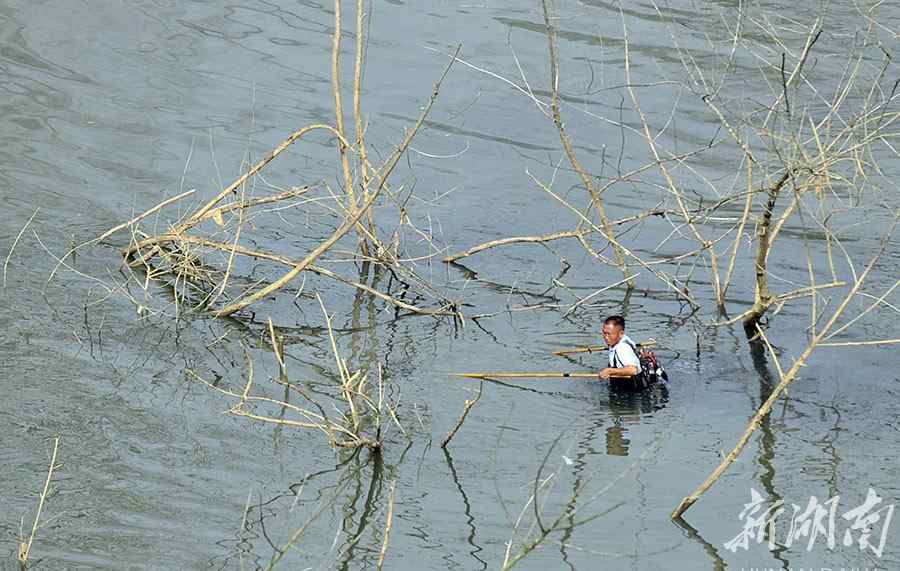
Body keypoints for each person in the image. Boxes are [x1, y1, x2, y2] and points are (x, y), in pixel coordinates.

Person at [598, 315, 642, 386]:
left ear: (621, 333)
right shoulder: (619, 341)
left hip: (631, 390)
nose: (606, 337)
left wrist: (609, 371)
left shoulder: (622, 348)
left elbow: (633, 370)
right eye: (604, 333)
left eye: (609, 334)